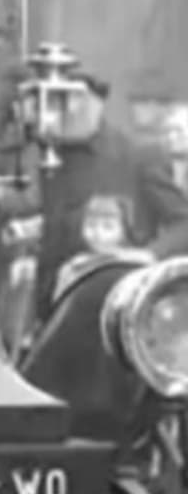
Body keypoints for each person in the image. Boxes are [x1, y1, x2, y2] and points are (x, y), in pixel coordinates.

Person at [32, 72, 188, 324]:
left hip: (117, 300)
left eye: (72, 99)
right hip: (56, 304)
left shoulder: (137, 155)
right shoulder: (45, 156)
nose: (64, 110)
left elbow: (183, 224)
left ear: (97, 103)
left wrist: (149, 254)